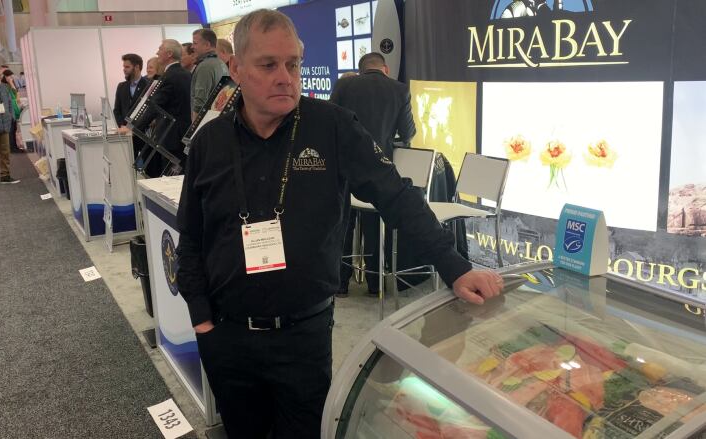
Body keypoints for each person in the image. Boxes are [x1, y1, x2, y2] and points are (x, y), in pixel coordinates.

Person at [175, 9, 503, 438]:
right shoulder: (209, 143)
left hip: (303, 339)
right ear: (236, 68)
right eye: (268, 65)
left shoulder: (331, 127)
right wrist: (202, 322)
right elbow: (192, 239)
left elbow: (396, 195)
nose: (285, 77)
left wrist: (454, 266)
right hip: (228, 337)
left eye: (293, 64)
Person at [330, 52, 418, 297]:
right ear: (386, 69)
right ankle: (374, 283)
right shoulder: (399, 90)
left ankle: (341, 283)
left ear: (360, 70)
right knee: (373, 225)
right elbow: (408, 132)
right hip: (378, 167)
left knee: (344, 222)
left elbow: (330, 119)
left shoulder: (344, 85)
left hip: (343, 166)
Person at [119, 40, 192, 177]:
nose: (157, 52)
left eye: (160, 49)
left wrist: (133, 129)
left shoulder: (169, 76)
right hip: (183, 133)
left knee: (171, 179)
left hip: (171, 136)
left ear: (169, 54)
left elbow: (154, 106)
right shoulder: (185, 74)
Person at [113, 53, 149, 159]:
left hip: (142, 133)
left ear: (137, 67)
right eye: (124, 67)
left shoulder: (148, 86)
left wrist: (133, 128)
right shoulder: (121, 86)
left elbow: (148, 112)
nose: (124, 69)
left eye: (127, 67)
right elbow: (117, 110)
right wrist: (122, 126)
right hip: (125, 134)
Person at [190, 28, 229, 121]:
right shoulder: (221, 63)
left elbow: (200, 101)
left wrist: (194, 129)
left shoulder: (205, 66)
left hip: (206, 122)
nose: (192, 47)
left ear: (207, 45)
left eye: (195, 43)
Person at [2, 69, 24, 153]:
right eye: (9, 76)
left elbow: (15, 92)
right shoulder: (4, 86)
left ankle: (14, 146)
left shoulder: (8, 85)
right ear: (5, 77)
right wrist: (11, 83)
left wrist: (11, 83)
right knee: (11, 130)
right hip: (9, 110)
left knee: (14, 129)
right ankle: (12, 148)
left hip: (13, 108)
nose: (11, 78)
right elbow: (13, 94)